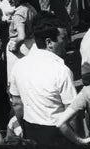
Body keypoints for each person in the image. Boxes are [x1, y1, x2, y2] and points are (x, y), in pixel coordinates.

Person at [8, 12, 81, 145]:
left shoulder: (19, 65)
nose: (67, 42)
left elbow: (17, 104)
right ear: (49, 42)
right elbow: (72, 113)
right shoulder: (61, 70)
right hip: (58, 136)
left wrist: (23, 127)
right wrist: (77, 139)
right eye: (63, 38)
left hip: (31, 131)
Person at [0, 0, 37, 81]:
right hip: (33, 44)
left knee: (16, 78)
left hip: (20, 47)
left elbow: (21, 36)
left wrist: (15, 46)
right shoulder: (29, 7)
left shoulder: (18, 14)